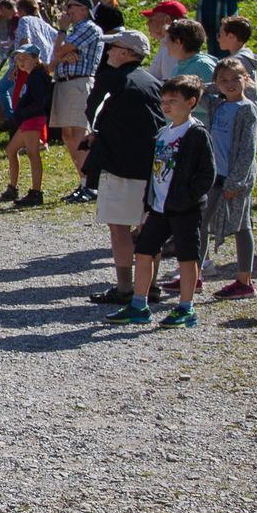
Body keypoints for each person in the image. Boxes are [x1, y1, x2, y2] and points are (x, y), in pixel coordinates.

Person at [106, 76, 214, 329]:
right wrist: (149, 203)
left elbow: (206, 174)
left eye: (173, 101)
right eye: (163, 101)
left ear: (191, 102)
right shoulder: (163, 134)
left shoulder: (196, 133)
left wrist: (186, 199)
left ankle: (186, 308)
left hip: (184, 209)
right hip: (158, 208)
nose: (166, 106)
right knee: (144, 251)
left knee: (186, 257)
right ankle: (139, 304)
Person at [83, 29, 164, 304]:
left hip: (119, 164)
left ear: (127, 53)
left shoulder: (112, 80)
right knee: (148, 227)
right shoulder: (153, 82)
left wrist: (97, 132)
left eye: (114, 47)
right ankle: (151, 285)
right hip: (152, 167)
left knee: (119, 227)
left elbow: (93, 114)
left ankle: (125, 287)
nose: (108, 52)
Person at [200, 58, 257, 299]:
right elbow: (200, 90)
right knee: (200, 222)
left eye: (236, 78)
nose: (230, 83)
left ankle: (244, 280)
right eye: (224, 80)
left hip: (236, 179)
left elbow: (248, 149)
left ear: (246, 79)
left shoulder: (247, 109)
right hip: (215, 175)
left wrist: (235, 182)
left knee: (241, 224)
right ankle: (194, 273)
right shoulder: (218, 104)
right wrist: (218, 84)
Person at [49, 0, 104, 199]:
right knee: (68, 135)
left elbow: (58, 51)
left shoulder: (89, 28)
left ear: (84, 9)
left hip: (78, 83)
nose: (67, 10)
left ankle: (90, 184)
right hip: (65, 84)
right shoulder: (74, 31)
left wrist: (62, 42)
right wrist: (62, 54)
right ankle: (83, 181)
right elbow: (55, 55)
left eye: (72, 6)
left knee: (78, 135)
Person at [0, 44, 53, 207]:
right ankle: (13, 188)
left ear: (35, 60)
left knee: (32, 153)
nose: (21, 62)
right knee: (11, 150)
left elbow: (39, 102)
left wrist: (20, 115)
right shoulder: (31, 76)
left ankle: (36, 193)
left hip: (33, 119)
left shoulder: (37, 77)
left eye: (25, 59)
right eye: (18, 59)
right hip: (28, 119)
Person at [165, 20, 218, 125]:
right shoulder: (177, 67)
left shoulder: (203, 65)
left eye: (167, 41)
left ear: (178, 42)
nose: (165, 44)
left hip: (198, 133)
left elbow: (217, 101)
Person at [216, 15, 257, 101]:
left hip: (240, 110)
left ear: (231, 37)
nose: (218, 39)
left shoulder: (236, 62)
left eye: (220, 35)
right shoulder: (247, 56)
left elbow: (219, 85)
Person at [142, 0, 187, 81]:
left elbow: (170, 85)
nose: (147, 23)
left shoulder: (172, 50)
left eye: (152, 19)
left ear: (167, 20)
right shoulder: (167, 45)